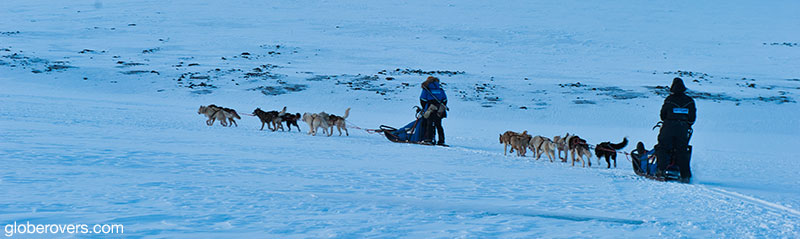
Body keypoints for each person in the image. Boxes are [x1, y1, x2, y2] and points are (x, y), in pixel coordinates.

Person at [655, 77, 696, 181]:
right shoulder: (689, 101)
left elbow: (663, 115)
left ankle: (661, 171)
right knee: (682, 150)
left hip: (668, 126)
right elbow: (692, 117)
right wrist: (687, 124)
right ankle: (685, 175)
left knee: (663, 148)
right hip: (682, 128)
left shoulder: (669, 100)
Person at [419, 76, 448, 146]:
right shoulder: (440, 89)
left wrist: (424, 108)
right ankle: (441, 141)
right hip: (440, 109)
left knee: (429, 123)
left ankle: (429, 139)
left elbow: (422, 99)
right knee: (438, 125)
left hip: (430, 108)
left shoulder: (426, 89)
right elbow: (445, 99)